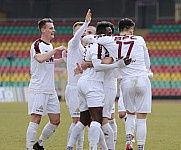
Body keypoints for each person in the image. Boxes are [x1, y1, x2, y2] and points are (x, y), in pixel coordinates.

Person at [68, 21, 131, 150]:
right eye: (106, 33)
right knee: (99, 120)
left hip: (107, 85)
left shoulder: (106, 45)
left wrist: (87, 64)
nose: (108, 36)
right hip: (96, 84)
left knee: (97, 120)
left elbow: (104, 61)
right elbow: (102, 62)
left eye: (110, 34)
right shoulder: (99, 45)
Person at [26, 18, 66, 150]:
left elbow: (50, 62)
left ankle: (40, 144)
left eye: (53, 27)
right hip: (38, 89)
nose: (53, 30)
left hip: (50, 90)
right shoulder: (37, 44)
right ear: (43, 30)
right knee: (36, 118)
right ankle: (29, 147)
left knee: (55, 120)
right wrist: (55, 51)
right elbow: (40, 58)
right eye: (50, 28)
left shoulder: (49, 46)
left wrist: (63, 59)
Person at [114, 18, 152, 150]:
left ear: (119, 29)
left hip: (126, 81)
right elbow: (147, 63)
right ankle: (140, 147)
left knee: (130, 114)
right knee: (142, 118)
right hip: (142, 79)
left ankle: (128, 142)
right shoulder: (140, 39)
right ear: (130, 29)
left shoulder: (113, 41)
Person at [65, 9, 96, 150]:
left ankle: (80, 147)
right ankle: (73, 147)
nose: (83, 34)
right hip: (73, 88)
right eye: (80, 31)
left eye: (84, 32)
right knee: (77, 120)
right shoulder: (73, 43)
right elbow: (77, 37)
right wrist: (86, 23)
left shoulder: (84, 49)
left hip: (83, 88)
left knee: (85, 120)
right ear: (75, 33)